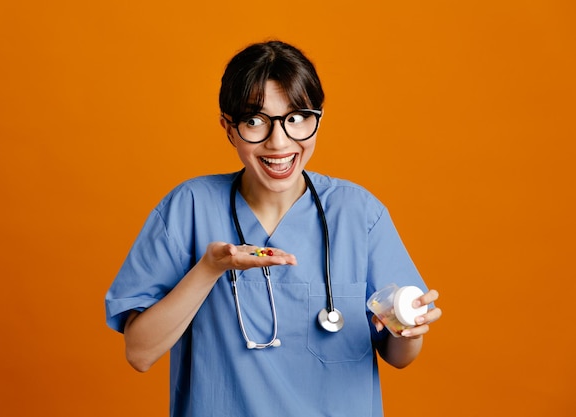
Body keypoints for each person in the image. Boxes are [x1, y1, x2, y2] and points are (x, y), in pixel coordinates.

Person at [105, 40, 442, 417]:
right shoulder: (189, 208)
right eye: (254, 121)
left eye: (296, 118)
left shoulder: (358, 213)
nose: (278, 141)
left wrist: (409, 329)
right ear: (229, 130)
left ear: (318, 120)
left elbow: (399, 357)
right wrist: (209, 270)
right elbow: (139, 352)